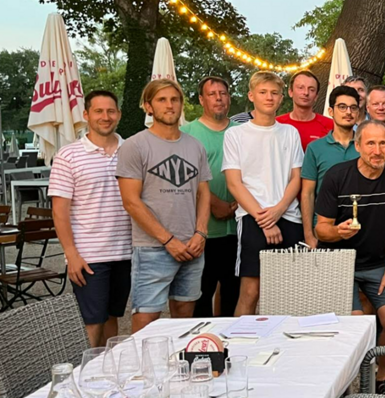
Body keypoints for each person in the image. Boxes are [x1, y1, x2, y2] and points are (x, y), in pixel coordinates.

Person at [315, 120, 385, 394]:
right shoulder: (337, 176)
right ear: (357, 146)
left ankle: (380, 379)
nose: (377, 150)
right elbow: (320, 228)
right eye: (370, 143)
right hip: (339, 262)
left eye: (383, 143)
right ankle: (344, 388)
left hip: (377, 264)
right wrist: (338, 232)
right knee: (356, 324)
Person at [117, 79, 211, 333]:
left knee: (185, 317)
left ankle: (178, 359)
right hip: (152, 248)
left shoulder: (195, 146)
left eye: (174, 99)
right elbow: (131, 202)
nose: (170, 105)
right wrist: (168, 240)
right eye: (161, 100)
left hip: (192, 246)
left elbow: (204, 193)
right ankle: (143, 361)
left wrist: (201, 233)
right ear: (148, 107)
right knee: (146, 320)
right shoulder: (134, 145)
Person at [50, 90, 132, 347]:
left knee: (112, 316)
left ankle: (108, 366)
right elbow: (59, 210)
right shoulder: (68, 155)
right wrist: (71, 254)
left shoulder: (131, 150)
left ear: (118, 114)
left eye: (110, 111)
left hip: (126, 252)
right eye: (98, 111)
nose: (105, 117)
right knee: (92, 321)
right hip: (89, 255)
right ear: (86, 115)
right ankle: (85, 368)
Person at [223, 71, 304, 316]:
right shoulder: (235, 134)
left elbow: (296, 178)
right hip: (252, 218)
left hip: (289, 216)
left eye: (274, 93)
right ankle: (240, 339)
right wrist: (265, 220)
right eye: (263, 92)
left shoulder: (290, 132)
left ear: (281, 98)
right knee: (251, 291)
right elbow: (234, 183)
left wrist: (279, 210)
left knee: (290, 292)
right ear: (251, 96)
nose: (269, 97)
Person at [181, 77, 241, 318]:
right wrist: (215, 204)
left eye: (223, 93)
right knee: (201, 295)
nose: (218, 98)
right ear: (201, 99)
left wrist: (238, 202)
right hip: (203, 231)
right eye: (212, 94)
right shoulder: (187, 134)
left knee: (233, 294)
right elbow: (186, 177)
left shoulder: (241, 132)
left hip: (237, 229)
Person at [301, 85, 361, 249]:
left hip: (361, 229)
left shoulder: (366, 148)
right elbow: (308, 193)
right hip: (325, 230)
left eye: (353, 107)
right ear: (331, 111)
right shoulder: (315, 148)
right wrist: (308, 234)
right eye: (342, 107)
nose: (348, 112)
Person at [276, 70, 334, 150]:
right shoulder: (277, 124)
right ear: (290, 92)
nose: (306, 93)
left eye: (311, 89)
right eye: (300, 88)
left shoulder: (331, 126)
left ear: (316, 96)